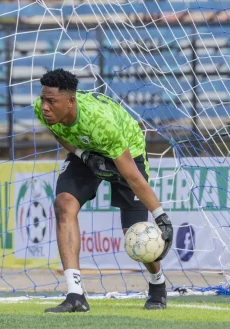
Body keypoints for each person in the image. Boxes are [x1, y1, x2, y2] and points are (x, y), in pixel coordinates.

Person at [33, 69, 173, 313]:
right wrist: (82, 155)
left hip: (127, 152)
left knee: (135, 235)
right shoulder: (42, 109)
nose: (44, 106)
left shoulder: (101, 124)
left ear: (70, 102)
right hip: (86, 151)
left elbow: (132, 175)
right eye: (43, 99)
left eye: (51, 102)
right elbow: (59, 132)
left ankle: (157, 283)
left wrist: (161, 217)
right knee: (64, 204)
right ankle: (75, 294)